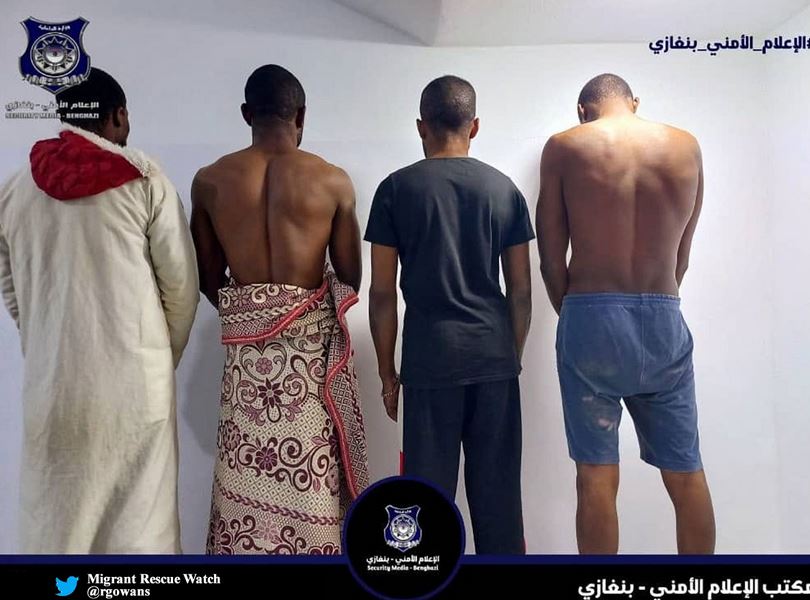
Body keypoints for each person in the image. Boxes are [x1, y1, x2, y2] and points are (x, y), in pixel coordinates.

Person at [0, 67, 199, 553]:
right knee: (140, 529)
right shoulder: (144, 181)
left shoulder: (14, 190)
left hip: (53, 386)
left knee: (58, 525)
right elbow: (181, 289)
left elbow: (12, 289)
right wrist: (158, 360)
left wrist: (45, 342)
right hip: (135, 390)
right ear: (118, 116)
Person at [192, 64, 368, 555]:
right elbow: (350, 278)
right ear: (301, 116)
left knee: (241, 473)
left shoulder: (209, 182)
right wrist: (296, 310)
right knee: (312, 483)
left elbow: (209, 280)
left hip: (247, 368)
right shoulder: (332, 181)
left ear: (246, 113)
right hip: (309, 369)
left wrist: (256, 317)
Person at [537, 73, 715, 554]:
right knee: (687, 473)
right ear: (635, 102)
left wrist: (576, 315)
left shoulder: (564, 146)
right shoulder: (686, 146)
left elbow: (551, 260)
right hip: (664, 315)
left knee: (595, 475)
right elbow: (681, 254)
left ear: (582, 111)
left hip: (590, 317)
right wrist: (656, 303)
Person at [366, 75, 533, 554]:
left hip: (429, 363)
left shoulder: (395, 189)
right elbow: (521, 291)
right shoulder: (504, 190)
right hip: (494, 362)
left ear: (421, 126)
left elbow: (382, 293)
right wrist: (510, 356)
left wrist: (387, 374)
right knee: (500, 505)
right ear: (474, 126)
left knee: (422, 510)